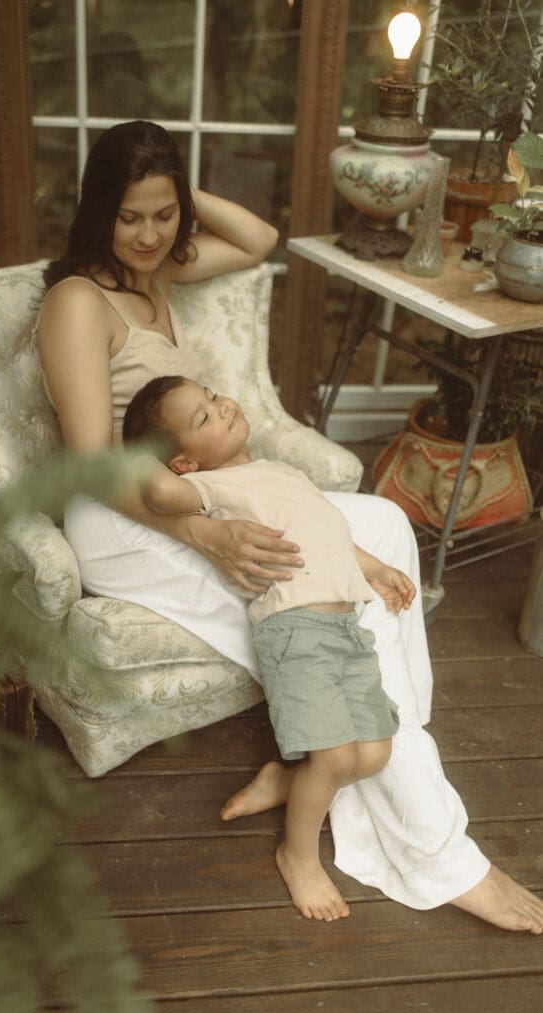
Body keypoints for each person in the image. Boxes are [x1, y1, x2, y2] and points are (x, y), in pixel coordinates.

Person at [36, 119, 543, 933]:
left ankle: (319, 756)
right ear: (97, 210)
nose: (147, 233)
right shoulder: (75, 301)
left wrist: (170, 180)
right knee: (345, 616)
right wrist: (202, 534)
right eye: (127, 215)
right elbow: (93, 461)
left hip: (196, 499)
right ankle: (441, 852)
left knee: (380, 525)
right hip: (130, 525)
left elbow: (261, 237)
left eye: (162, 215)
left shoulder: (161, 269)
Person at [123, 374, 416, 921]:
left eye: (212, 397)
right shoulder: (211, 488)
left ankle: (284, 780)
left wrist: (375, 569)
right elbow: (155, 489)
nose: (222, 407)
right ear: (184, 462)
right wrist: (136, 451)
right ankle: (298, 854)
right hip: (296, 630)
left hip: (347, 630)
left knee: (373, 754)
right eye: (203, 418)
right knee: (334, 756)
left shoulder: (281, 472)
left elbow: (330, 533)